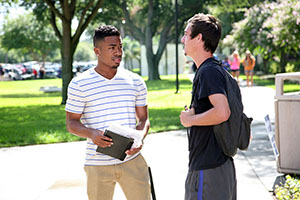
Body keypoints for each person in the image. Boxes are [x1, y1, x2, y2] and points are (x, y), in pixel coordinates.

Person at [65, 25, 151, 200]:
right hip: (97, 164)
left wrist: (140, 137)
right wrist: (91, 133)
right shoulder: (79, 84)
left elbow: (143, 119)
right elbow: (71, 123)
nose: (118, 52)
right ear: (97, 51)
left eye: (120, 47)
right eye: (112, 48)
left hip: (132, 161)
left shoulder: (136, 81)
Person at [180, 13, 236, 200]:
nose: (183, 39)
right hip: (216, 166)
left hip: (209, 169)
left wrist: (190, 120)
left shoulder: (208, 71)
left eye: (186, 34)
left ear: (199, 38)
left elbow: (222, 112)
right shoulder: (213, 69)